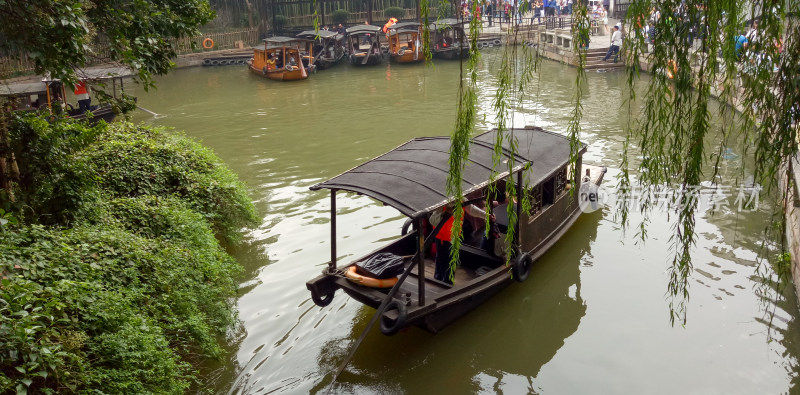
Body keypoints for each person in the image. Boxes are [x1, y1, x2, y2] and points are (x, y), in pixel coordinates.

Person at [433, 201, 494, 284]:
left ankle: (445, 280)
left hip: (454, 235)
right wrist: (444, 214)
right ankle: (442, 280)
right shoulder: (442, 203)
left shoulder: (461, 199)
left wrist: (486, 215)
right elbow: (432, 220)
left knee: (450, 258)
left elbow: (472, 209)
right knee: (443, 257)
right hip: (442, 236)